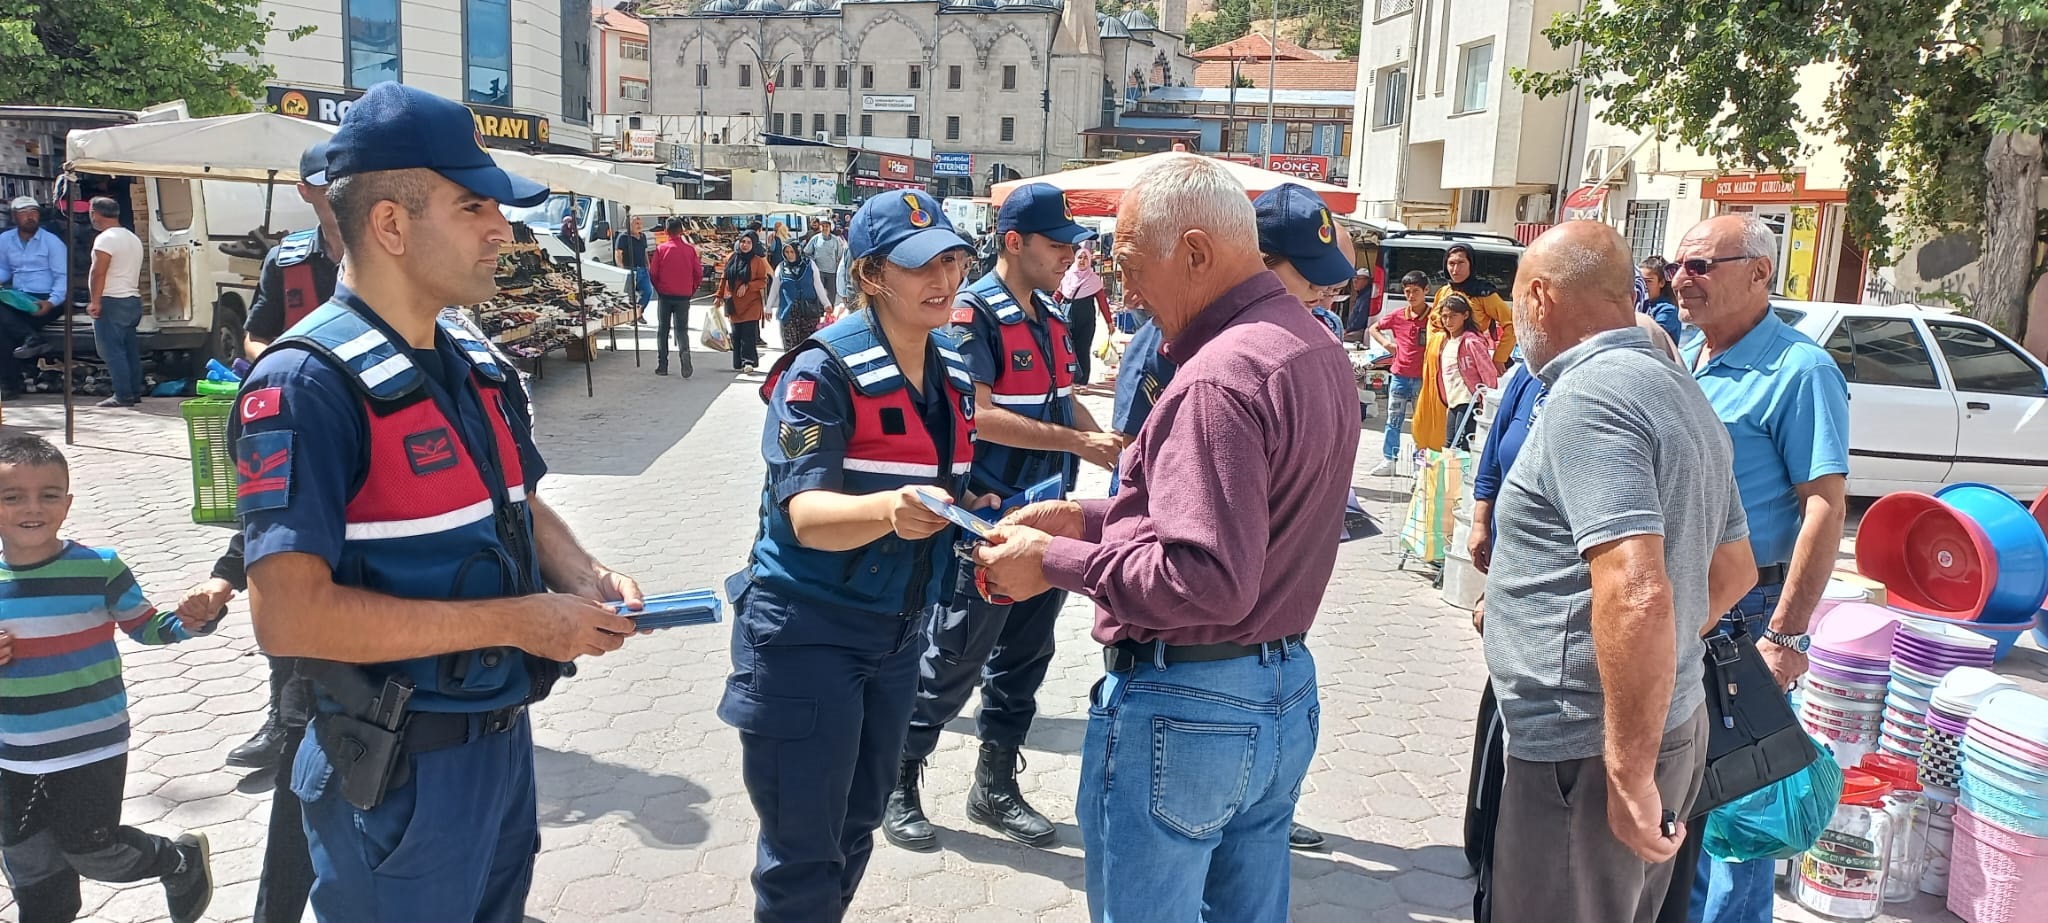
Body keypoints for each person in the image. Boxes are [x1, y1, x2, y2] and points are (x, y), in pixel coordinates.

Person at [233, 82, 645, 923]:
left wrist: (582, 571)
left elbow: (515, 502)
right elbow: (289, 617)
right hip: (396, 770)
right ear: (390, 224)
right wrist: (519, 622)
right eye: (473, 207)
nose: (503, 229)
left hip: (497, 748)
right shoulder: (306, 382)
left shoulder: (466, 350)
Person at [972, 155, 1357, 920]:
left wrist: (1052, 562)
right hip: (1278, 690)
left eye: (1130, 267)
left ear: (1195, 251)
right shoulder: (1308, 345)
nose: (1127, 294)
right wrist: (1080, 519)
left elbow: (1205, 575)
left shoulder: (1219, 376)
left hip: (1189, 704)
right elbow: (1234, 519)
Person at [723, 190, 992, 922]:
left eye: (951, 257)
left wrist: (979, 518)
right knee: (804, 848)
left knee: (859, 819)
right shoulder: (821, 373)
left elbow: (949, 490)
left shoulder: (952, 369)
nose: (945, 277)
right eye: (920, 265)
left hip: (899, 635)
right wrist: (890, 511)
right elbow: (806, 515)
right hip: (808, 634)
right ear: (871, 274)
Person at [1482, 221, 1759, 923]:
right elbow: (1731, 570)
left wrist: (1628, 769)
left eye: (1517, 299)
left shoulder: (1590, 396)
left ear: (1540, 297)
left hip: (1585, 748)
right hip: (1654, 727)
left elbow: (1636, 591)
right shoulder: (1675, 387)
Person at [883, 182, 1119, 854]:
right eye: (1055, 242)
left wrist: (1101, 440)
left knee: (1025, 656)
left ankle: (993, 786)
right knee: (954, 657)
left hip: (1046, 524)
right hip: (986, 523)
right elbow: (979, 414)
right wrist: (1077, 443)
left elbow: (1061, 399)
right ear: (1014, 241)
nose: (1069, 252)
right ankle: (896, 782)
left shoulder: (1049, 314)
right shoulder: (972, 314)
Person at [1674, 215, 1850, 923]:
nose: (1683, 277)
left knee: (1740, 818)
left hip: (1748, 620)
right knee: (1685, 807)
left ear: (1759, 273)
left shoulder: (1800, 371)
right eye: (1677, 263)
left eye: (1702, 265)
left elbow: (1825, 510)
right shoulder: (1688, 354)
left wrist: (1787, 637)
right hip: (1690, 607)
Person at [0, 434, 219, 923]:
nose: (31, 508)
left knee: (91, 848)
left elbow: (148, 626)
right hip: (13, 752)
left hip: (91, 744)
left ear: (68, 502)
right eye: (12, 496)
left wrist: (194, 618)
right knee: (27, 860)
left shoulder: (99, 568)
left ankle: (177, 860)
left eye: (48, 494)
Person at [245, 142, 344, 358]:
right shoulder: (284, 261)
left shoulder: (390, 253)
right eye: (326, 189)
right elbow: (255, 339)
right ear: (304, 192)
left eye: (343, 186)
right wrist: (276, 367)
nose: (337, 197)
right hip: (307, 381)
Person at [1414, 245, 1515, 450]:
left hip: (1466, 372)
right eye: (1451, 263)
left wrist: (1499, 359)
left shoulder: (1484, 293)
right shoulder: (1443, 292)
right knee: (1431, 418)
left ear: (1471, 264)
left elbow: (1511, 324)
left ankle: (1454, 475)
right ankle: (1431, 468)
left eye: (1461, 263)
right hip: (1438, 367)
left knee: (1459, 436)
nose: (1455, 269)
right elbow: (1433, 324)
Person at [1367, 271, 1432, 475]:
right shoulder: (1397, 316)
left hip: (1423, 378)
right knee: (1393, 419)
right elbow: (1374, 328)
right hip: (1399, 375)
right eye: (1407, 291)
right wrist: (1387, 344)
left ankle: (1419, 463)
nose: (1411, 296)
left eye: (1416, 291)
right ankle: (1389, 459)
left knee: (1422, 423)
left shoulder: (1434, 318)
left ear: (1426, 291)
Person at [0, 196, 67, 396]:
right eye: (24, 213)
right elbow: (4, 269)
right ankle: (13, 380)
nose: (30, 217)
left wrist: (51, 302)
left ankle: (11, 382)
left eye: (34, 213)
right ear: (14, 217)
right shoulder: (5, 240)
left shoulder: (52, 242)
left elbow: (62, 277)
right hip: (20, 298)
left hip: (48, 299)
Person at [85, 197, 145, 408]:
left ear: (95, 214)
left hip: (112, 300)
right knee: (129, 350)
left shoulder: (105, 239)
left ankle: (122, 395)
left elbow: (98, 272)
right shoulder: (132, 238)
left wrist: (95, 301)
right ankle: (134, 392)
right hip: (132, 300)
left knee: (112, 351)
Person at [1438, 295, 1501, 450]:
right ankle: (1451, 475)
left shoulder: (1471, 341)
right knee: (1449, 444)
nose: (1448, 321)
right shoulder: (1447, 341)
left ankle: (1463, 474)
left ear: (1465, 315)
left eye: (1453, 316)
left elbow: (1488, 371)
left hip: (1469, 400)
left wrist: (1488, 400)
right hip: (1453, 401)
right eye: (1444, 317)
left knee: (1462, 444)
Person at [649, 216, 703, 377]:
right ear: (682, 231)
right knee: (682, 330)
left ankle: (663, 365)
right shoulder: (690, 250)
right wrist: (691, 289)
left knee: (663, 330)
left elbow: (653, 272)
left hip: (665, 295)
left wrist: (659, 288)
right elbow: (698, 273)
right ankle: (684, 354)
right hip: (683, 296)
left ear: (666, 231)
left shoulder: (661, 249)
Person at [718, 233, 771, 373]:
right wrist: (719, 296)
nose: (745, 245)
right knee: (736, 334)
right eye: (743, 242)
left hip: (751, 303)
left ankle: (749, 362)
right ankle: (738, 362)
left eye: (748, 242)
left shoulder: (757, 261)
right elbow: (724, 278)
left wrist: (748, 285)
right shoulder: (732, 258)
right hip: (733, 303)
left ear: (753, 244)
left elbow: (763, 281)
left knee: (748, 333)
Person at [765, 240, 830, 349]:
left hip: (808, 312)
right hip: (788, 313)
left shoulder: (810, 265)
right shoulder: (781, 268)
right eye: (787, 252)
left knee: (808, 347)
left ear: (798, 251)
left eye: (792, 252)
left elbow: (818, 285)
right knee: (791, 348)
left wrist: (826, 303)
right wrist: (768, 307)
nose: (789, 255)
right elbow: (775, 289)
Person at [1055, 247, 1106, 384]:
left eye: (1085, 258)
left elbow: (1102, 301)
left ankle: (1082, 381)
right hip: (1067, 317)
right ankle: (1067, 379)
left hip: (1086, 319)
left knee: (1083, 350)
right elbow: (1058, 295)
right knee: (1067, 350)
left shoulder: (1094, 279)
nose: (1082, 261)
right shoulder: (1067, 277)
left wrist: (1110, 322)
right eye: (1080, 257)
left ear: (1089, 261)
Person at [1639, 256, 1682, 342]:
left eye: (1648, 281)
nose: (1643, 285)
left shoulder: (1667, 310)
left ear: (1661, 283)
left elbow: (1649, 338)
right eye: (1640, 280)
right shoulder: (1639, 305)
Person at [615, 215, 653, 313]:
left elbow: (644, 252)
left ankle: (639, 313)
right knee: (630, 296)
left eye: (640, 224)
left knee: (648, 292)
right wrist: (622, 269)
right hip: (630, 269)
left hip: (642, 269)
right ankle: (632, 316)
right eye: (636, 223)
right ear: (630, 224)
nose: (639, 226)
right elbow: (618, 254)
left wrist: (648, 265)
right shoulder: (623, 237)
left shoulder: (643, 236)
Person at [805, 217, 847, 304]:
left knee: (831, 295)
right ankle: (819, 312)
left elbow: (841, 255)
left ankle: (829, 314)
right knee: (818, 294)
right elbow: (806, 252)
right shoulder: (815, 239)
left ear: (830, 227)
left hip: (832, 272)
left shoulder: (835, 240)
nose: (824, 228)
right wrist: (813, 260)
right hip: (819, 271)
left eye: (826, 226)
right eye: (822, 226)